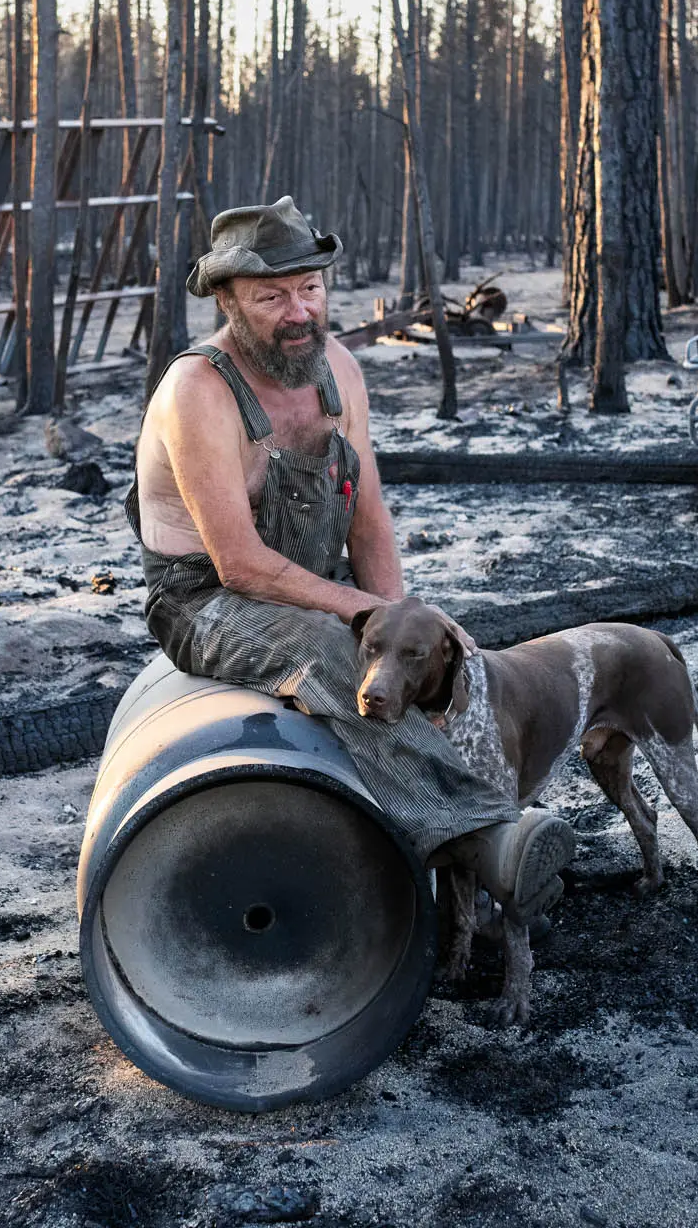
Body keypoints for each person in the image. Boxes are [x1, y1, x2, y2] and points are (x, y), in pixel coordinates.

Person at [128, 196, 574, 923]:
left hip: (306, 581)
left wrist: (403, 623)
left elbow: (367, 519)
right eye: (272, 296)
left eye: (309, 289)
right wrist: (361, 613)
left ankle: (482, 797)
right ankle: (483, 835)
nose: (298, 311)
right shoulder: (197, 391)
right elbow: (239, 564)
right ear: (227, 300)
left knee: (428, 650)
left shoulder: (336, 368)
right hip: (204, 599)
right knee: (329, 654)